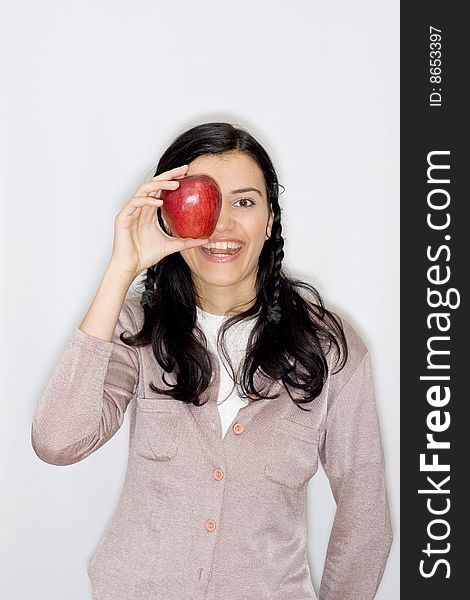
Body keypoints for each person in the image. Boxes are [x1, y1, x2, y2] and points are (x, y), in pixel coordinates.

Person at [31, 122, 393, 600]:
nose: (222, 225)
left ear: (269, 219)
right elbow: (58, 442)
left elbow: (364, 517)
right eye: (206, 201)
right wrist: (121, 270)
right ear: (169, 215)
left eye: (244, 202)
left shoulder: (329, 346)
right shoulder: (136, 329)